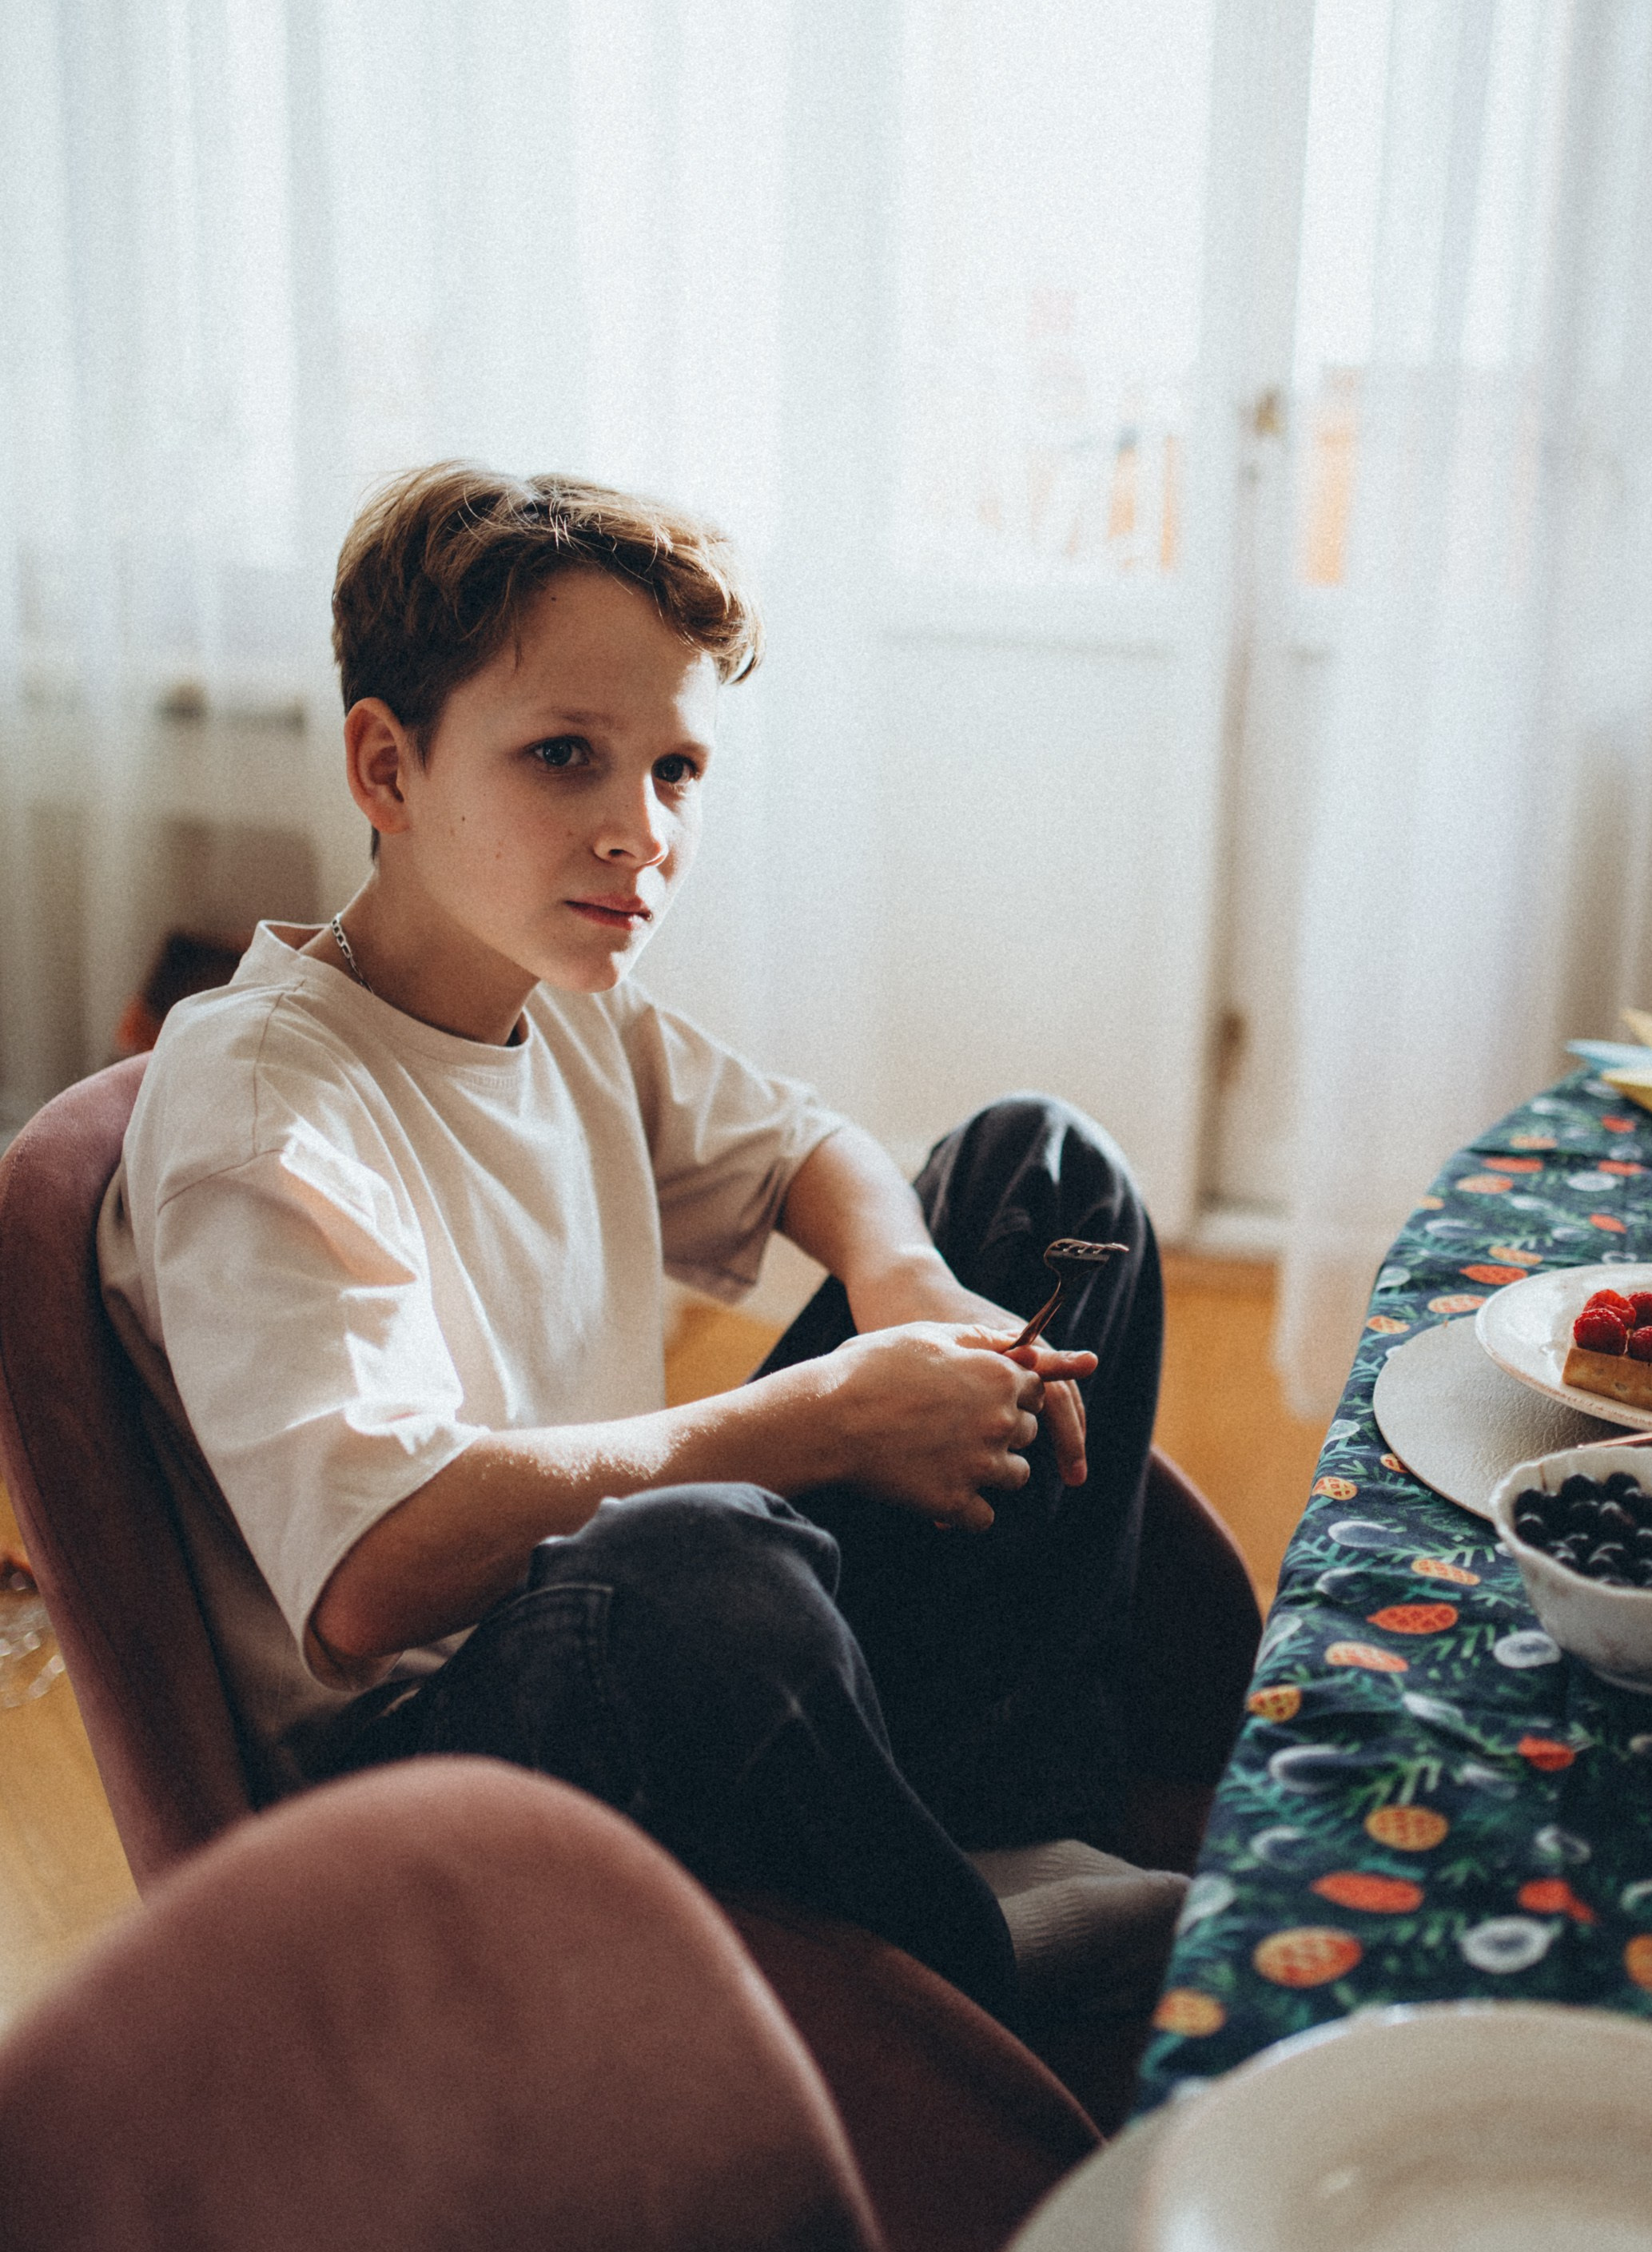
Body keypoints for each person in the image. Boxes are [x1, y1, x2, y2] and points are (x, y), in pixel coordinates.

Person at [98, 464, 1174, 2030]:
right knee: (705, 1571)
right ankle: (959, 1981)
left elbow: (809, 1146)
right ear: (385, 769)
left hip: (625, 1633)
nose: (638, 831)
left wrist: (906, 1282)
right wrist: (823, 1418)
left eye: (675, 768)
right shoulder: (265, 1098)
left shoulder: (563, 1004)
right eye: (564, 758)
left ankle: (990, 1800)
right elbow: (369, 1572)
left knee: (1046, 1171)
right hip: (428, 1767)